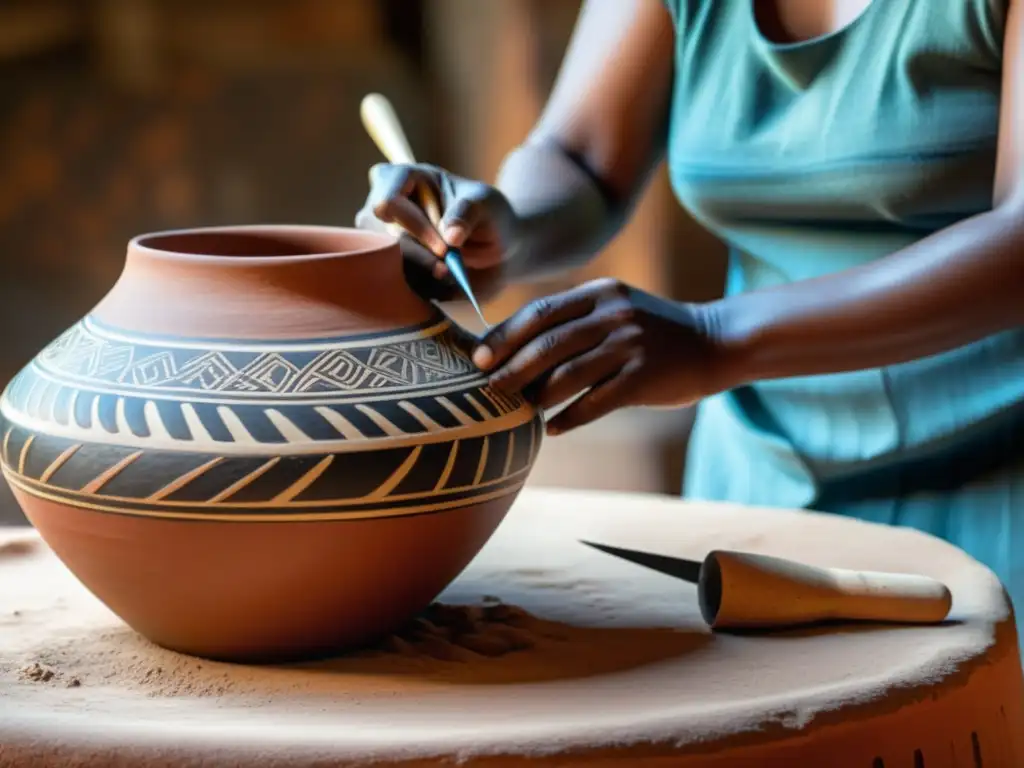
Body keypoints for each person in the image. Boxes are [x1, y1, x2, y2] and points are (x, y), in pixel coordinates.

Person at [356, 0, 1024, 640]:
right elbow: (583, 157)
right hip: (759, 483)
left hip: (995, 481)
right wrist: (508, 225)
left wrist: (716, 339)